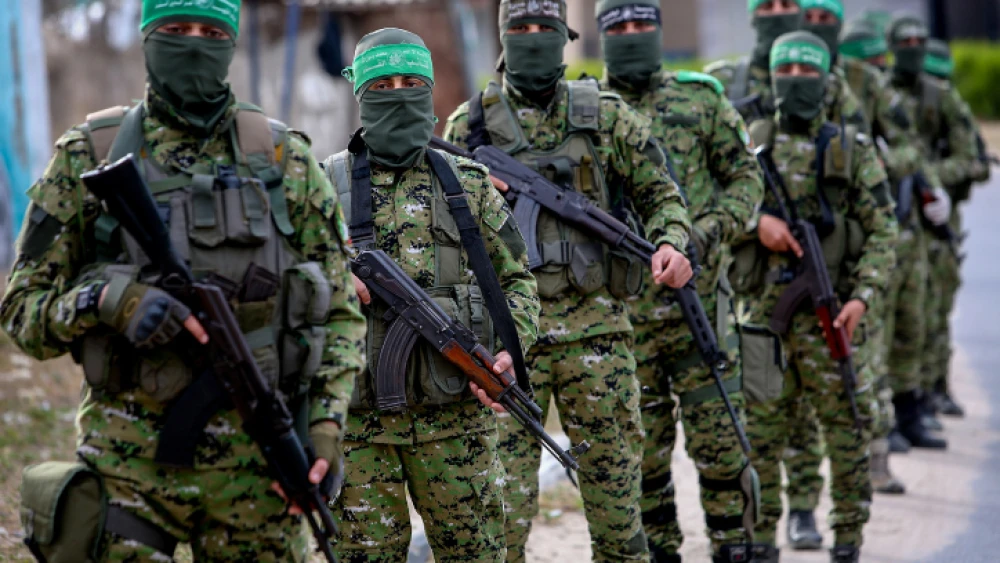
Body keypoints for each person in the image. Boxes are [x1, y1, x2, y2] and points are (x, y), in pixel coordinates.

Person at [2, 1, 366, 560]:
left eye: (210, 31)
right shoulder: (89, 156)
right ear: (148, 38)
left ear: (231, 41)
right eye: (175, 30)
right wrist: (106, 299)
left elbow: (341, 309)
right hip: (128, 470)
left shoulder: (282, 160)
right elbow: (21, 311)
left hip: (259, 475)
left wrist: (325, 429)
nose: (194, 44)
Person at [444, 1, 694, 560]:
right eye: (520, 29)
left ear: (564, 35)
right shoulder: (471, 123)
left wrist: (673, 241)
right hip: (508, 347)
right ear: (504, 36)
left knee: (617, 511)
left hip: (598, 337)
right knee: (500, 512)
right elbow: (444, 231)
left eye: (544, 29)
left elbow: (660, 192)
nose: (532, 39)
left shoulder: (605, 114)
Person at [324, 27, 540, 563]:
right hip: (358, 428)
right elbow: (285, 285)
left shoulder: (467, 183)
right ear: (359, 94)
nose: (398, 93)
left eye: (411, 82)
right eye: (382, 85)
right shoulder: (323, 185)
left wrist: (514, 349)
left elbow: (518, 283)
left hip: (456, 423)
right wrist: (331, 282)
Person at [593, 1, 765, 561]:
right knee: (641, 463)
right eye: (619, 28)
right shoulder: (587, 111)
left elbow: (746, 181)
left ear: (661, 31)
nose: (632, 36)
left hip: (702, 310)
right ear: (601, 36)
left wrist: (703, 236)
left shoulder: (701, 99)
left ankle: (734, 547)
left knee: (722, 450)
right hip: (623, 323)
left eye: (643, 25)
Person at [739, 31, 898, 563]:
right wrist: (755, 222)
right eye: (788, 71)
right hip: (764, 318)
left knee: (849, 434)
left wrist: (864, 297)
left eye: (810, 72)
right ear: (774, 77)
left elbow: (883, 231)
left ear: (827, 79)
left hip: (835, 315)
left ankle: (848, 540)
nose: (798, 82)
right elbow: (710, 209)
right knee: (759, 438)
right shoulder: (748, 141)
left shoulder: (851, 148)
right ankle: (760, 543)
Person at [886, 15, 981, 450]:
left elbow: (974, 158)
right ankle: (889, 412)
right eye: (902, 41)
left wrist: (935, 181)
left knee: (924, 317)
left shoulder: (938, 97)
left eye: (918, 41)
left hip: (932, 223)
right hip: (887, 218)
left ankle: (921, 399)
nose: (911, 47)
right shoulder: (876, 93)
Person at [920, 37, 991, 419]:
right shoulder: (896, 100)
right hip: (908, 221)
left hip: (943, 224)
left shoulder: (950, 106)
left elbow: (977, 163)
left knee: (938, 310)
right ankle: (914, 394)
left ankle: (936, 387)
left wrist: (934, 178)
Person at [704, 0, 866, 132]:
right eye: (767, 6)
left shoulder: (831, 84)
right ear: (753, 17)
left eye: (786, 5)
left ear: (800, 13)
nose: (778, 13)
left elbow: (857, 148)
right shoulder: (722, 80)